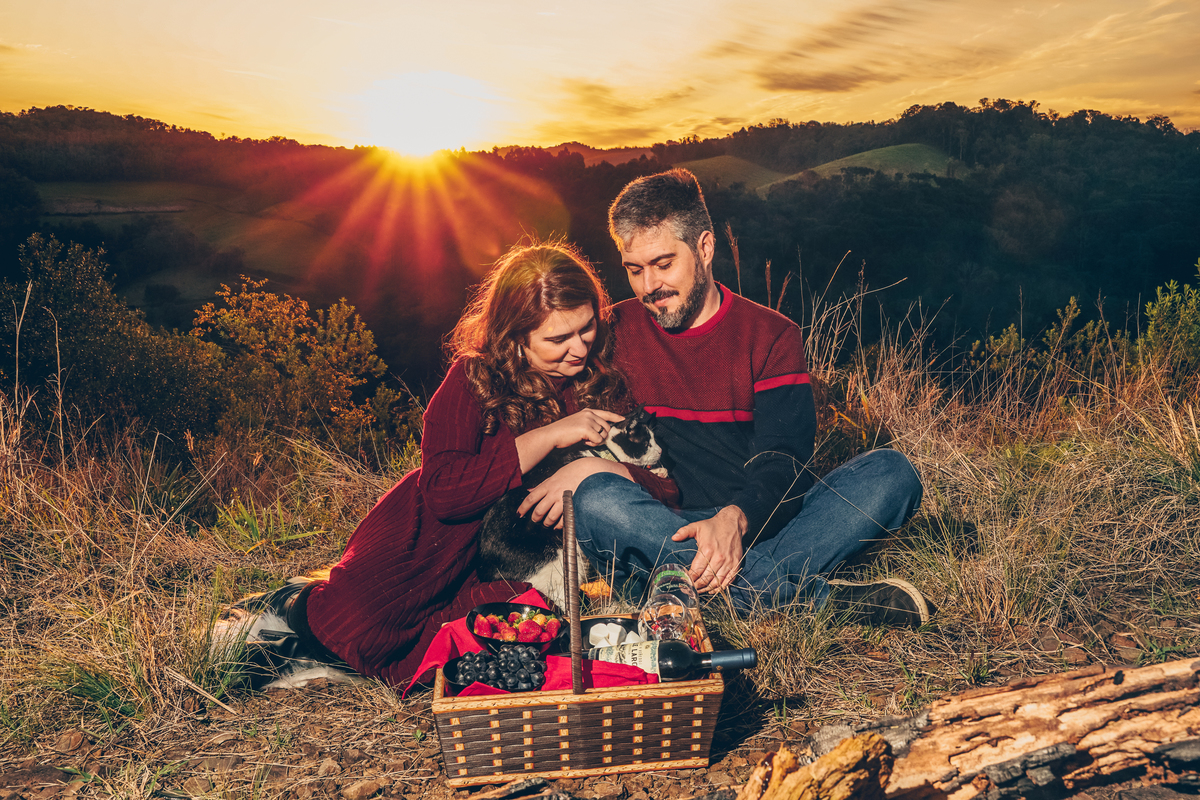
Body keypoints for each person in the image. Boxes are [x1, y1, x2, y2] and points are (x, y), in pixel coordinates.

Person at [226, 241, 677, 687]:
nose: (578, 348)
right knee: (356, 627)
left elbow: (664, 488)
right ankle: (292, 603)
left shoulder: (598, 383)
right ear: (516, 337)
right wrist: (550, 436)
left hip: (509, 564)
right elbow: (444, 493)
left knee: (517, 628)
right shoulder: (473, 379)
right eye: (558, 339)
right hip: (425, 546)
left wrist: (605, 472)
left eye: (586, 329)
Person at [560, 168, 930, 625]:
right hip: (662, 527)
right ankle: (802, 598)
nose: (648, 286)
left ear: (705, 248)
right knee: (595, 500)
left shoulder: (771, 335)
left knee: (892, 472)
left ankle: (709, 593)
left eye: (663, 264)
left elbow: (784, 462)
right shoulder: (613, 331)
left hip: (759, 520)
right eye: (634, 270)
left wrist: (734, 519)